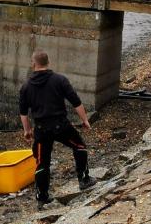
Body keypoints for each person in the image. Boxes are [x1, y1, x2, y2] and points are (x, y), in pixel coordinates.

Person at [19, 50, 95, 208]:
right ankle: (84, 180)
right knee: (79, 146)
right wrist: (85, 120)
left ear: (33, 64)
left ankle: (42, 198)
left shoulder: (26, 86)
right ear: (48, 62)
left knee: (42, 163)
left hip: (41, 130)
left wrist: (27, 130)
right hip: (61, 126)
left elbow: (23, 113)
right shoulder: (59, 80)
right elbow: (76, 101)